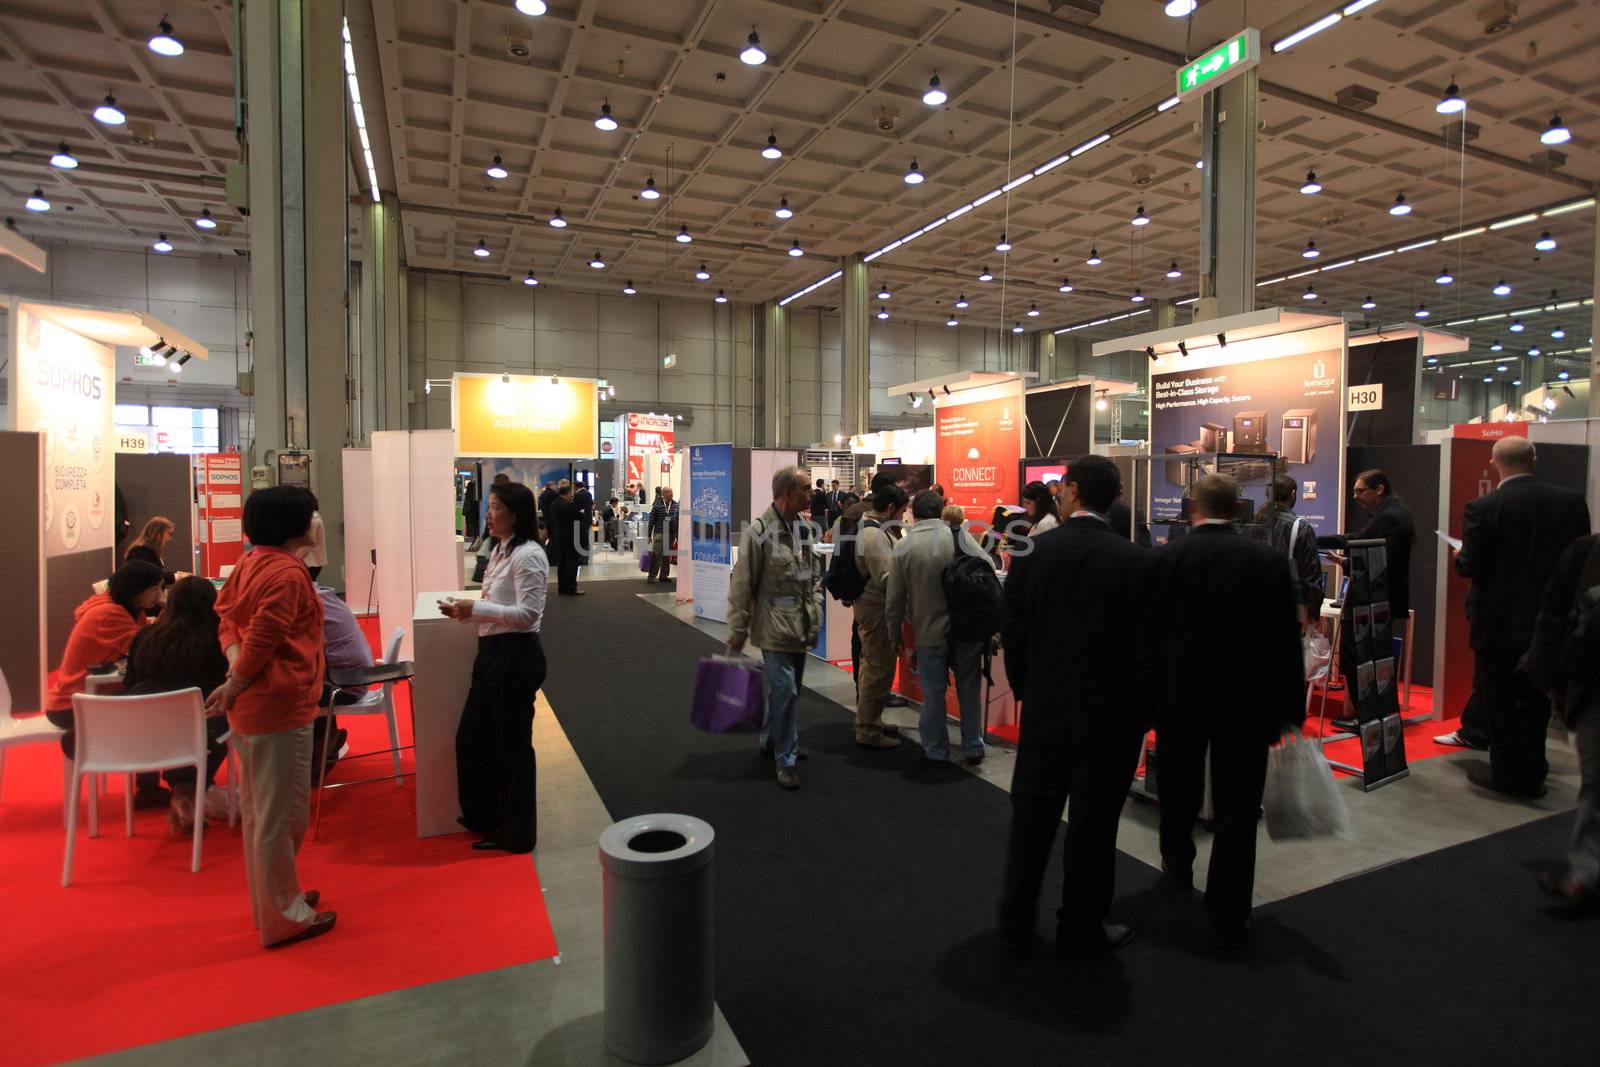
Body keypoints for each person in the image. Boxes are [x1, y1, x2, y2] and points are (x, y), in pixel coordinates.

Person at [999, 455, 1156, 953]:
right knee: (1094, 823)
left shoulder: (1033, 552)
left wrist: (1028, 690)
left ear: (1070, 491)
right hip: (1110, 720)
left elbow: (1014, 632)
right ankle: (1081, 925)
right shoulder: (1136, 562)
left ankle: (1016, 920)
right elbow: (1148, 649)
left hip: (1046, 710)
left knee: (1032, 819)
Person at [1147, 474, 1304, 947]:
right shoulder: (1269, 562)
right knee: (1238, 808)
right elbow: (1284, 642)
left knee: (1177, 785)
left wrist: (1146, 696)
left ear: (1193, 507)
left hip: (1180, 698)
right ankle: (1229, 907)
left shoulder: (1165, 558)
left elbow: (1148, 636)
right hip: (1247, 701)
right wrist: (1290, 708)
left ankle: (1176, 865)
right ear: (1237, 511)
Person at [206, 486, 336, 948]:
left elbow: (228, 623)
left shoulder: (251, 563)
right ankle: (284, 915)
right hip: (278, 706)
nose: (317, 522)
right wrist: (239, 678)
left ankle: (278, 899)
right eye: (312, 515)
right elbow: (263, 635)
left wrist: (235, 672)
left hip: (262, 706)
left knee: (267, 813)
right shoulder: (285, 573)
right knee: (278, 817)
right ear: (295, 524)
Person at [1454, 436, 1590, 797]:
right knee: (1537, 700)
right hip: (1551, 621)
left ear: (1493, 462)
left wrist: (1459, 557)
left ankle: (1509, 775)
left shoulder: (1484, 507)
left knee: (1498, 702)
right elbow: (1580, 562)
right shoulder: (1572, 502)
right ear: (1534, 458)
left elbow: (1470, 565)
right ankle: (1534, 771)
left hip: (1497, 624)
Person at [438, 480, 548, 854]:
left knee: (512, 748)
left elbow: (528, 614)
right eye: (489, 507)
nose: (489, 514)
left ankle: (516, 834)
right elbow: (496, 608)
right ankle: (486, 817)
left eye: (496, 507)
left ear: (515, 514)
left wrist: (478, 610)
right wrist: (466, 614)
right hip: (492, 654)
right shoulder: (501, 549)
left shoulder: (528, 554)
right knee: (474, 740)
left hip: (515, 657)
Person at [726, 466, 822, 791]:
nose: (812, 493)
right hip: (773, 626)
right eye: (806, 489)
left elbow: (814, 573)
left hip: (801, 624)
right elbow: (742, 584)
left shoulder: (805, 529)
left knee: (789, 690)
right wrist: (738, 628)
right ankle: (786, 759)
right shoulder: (758, 532)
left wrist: (816, 603)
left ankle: (771, 739)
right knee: (786, 691)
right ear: (786, 494)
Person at [45, 559, 166, 805]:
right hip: (72, 704)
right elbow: (147, 647)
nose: (159, 595)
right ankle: (144, 784)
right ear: (136, 589)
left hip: (87, 694)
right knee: (147, 706)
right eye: (154, 589)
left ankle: (146, 785)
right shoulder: (109, 613)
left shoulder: (126, 609)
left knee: (146, 702)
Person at [886, 490, 992, 769]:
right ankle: (973, 746)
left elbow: (895, 597)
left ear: (913, 513)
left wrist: (894, 633)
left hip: (929, 631)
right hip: (966, 630)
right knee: (969, 688)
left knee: (933, 693)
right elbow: (989, 567)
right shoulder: (959, 536)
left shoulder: (904, 547)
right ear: (941, 510)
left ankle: (936, 751)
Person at [1525, 533, 1600, 911]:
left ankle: (1587, 876)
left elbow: (1553, 610)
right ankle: (1587, 874)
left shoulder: (1586, 552)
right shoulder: (1587, 552)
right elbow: (1555, 610)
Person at [123, 576, 231, 832]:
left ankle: (183, 792)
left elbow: (130, 685)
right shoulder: (216, 640)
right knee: (224, 722)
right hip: (202, 731)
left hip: (146, 733)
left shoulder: (145, 637)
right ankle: (186, 791)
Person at [1321, 469, 1417, 732]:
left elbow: (1364, 547)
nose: (1356, 497)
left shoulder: (1390, 517)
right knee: (1365, 658)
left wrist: (1313, 540)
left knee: (1361, 658)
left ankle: (1367, 718)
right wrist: (1346, 560)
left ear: (1379, 489)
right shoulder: (1393, 514)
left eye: (1360, 491)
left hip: (1375, 601)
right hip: (1378, 600)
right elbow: (1366, 548)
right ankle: (1370, 716)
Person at [852, 484, 908, 749]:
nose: (904, 516)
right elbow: (886, 578)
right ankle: (867, 729)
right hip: (876, 608)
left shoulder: (877, 531)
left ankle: (872, 719)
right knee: (877, 667)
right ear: (890, 509)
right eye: (903, 511)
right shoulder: (874, 535)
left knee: (875, 664)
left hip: (875, 606)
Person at [1264, 474, 1325, 627]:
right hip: (1289, 608)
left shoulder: (1254, 523)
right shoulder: (1301, 527)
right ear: (1293, 494)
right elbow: (1311, 577)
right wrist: (1314, 612)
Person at [548, 483, 583, 596]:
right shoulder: (568, 505)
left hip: (559, 537)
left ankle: (562, 587)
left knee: (562, 563)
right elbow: (579, 516)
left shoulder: (554, 504)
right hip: (570, 537)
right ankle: (571, 588)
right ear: (568, 493)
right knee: (572, 563)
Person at [125, 516, 179, 583]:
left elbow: (155, 573)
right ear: (158, 532)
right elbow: (148, 576)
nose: (170, 538)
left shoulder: (147, 550)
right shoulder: (140, 551)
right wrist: (175, 577)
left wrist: (176, 575)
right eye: (169, 534)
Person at [647, 486, 679, 584]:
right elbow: (651, 520)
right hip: (659, 533)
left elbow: (678, 520)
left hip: (671, 534)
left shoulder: (676, 505)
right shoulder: (657, 505)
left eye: (672, 492)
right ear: (663, 494)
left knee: (666, 556)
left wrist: (677, 535)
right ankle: (651, 576)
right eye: (669, 492)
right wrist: (649, 534)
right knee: (656, 555)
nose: (671, 494)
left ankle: (664, 576)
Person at [572, 480, 594, 573]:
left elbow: (575, 508)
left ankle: (582, 559)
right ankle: (585, 558)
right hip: (588, 519)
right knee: (586, 539)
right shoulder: (589, 494)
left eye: (573, 487)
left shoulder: (578, 495)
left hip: (580, 520)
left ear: (576, 487)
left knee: (580, 539)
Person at [463, 476, 481, 551]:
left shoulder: (471, 486)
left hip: (471, 513)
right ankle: (473, 544)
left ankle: (473, 544)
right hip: (474, 512)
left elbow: (467, 502)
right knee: (475, 529)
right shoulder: (475, 487)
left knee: (473, 530)